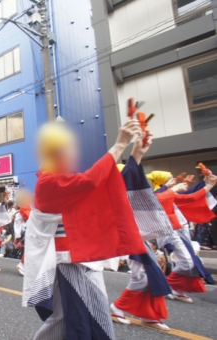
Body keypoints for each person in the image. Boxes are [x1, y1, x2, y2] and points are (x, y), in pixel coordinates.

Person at [23, 119, 147, 340]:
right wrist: (119, 145)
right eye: (68, 148)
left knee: (85, 317)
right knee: (78, 318)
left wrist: (135, 154)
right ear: (55, 152)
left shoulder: (64, 180)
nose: (73, 153)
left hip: (83, 258)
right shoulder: (48, 183)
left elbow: (108, 187)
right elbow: (91, 181)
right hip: (70, 262)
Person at [109, 133, 174, 331]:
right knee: (143, 276)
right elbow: (129, 174)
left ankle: (149, 314)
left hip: (137, 236)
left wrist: (138, 152)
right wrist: (136, 152)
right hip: (127, 237)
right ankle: (117, 307)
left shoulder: (126, 194)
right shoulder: (113, 192)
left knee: (152, 274)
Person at [148, 171, 217, 302]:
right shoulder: (157, 195)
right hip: (169, 233)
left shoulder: (169, 193)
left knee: (189, 262)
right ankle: (167, 285)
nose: (174, 180)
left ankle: (177, 289)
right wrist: (173, 188)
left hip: (180, 230)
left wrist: (208, 184)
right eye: (169, 179)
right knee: (187, 262)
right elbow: (158, 198)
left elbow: (190, 197)